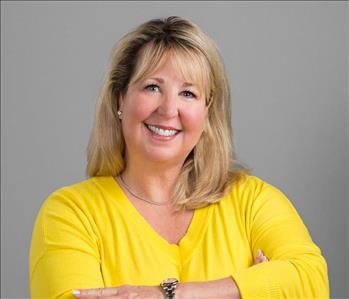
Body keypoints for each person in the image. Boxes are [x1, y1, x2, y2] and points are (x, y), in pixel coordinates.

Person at [29, 16, 329, 299]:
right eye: (152, 87)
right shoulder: (70, 214)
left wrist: (171, 294)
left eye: (188, 93)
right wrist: (249, 287)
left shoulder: (253, 201)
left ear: (207, 109)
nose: (169, 109)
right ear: (120, 98)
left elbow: (312, 280)